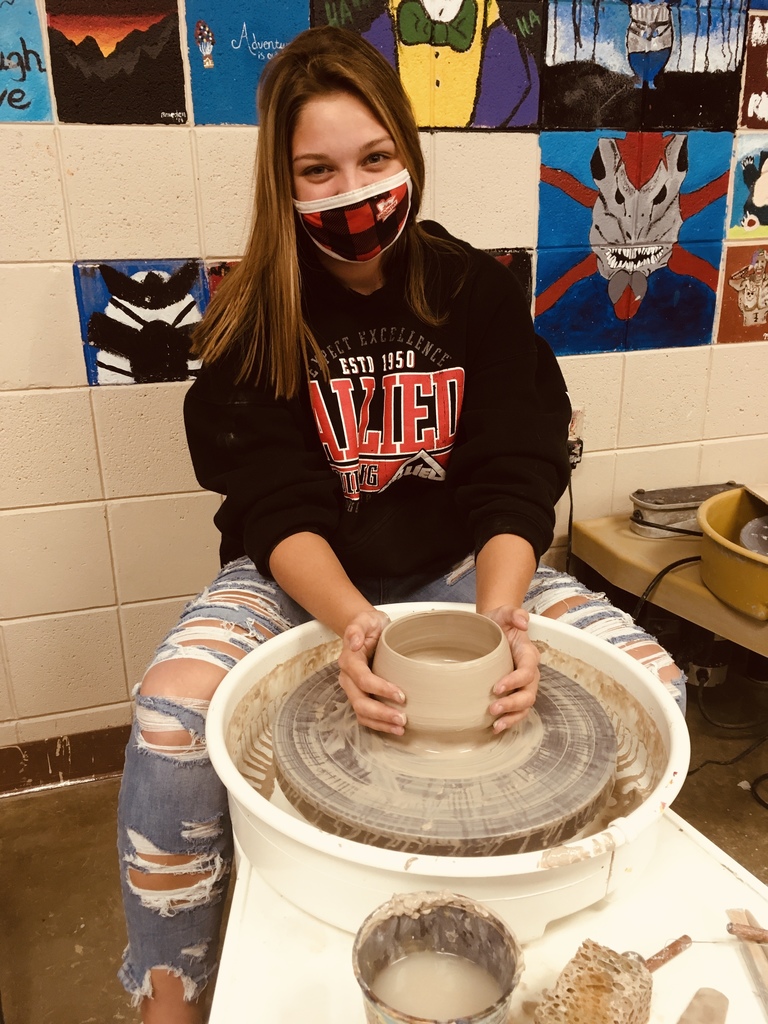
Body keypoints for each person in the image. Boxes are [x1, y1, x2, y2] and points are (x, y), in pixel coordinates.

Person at [116, 25, 686, 1023]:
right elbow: (273, 501)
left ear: (410, 157)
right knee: (171, 717)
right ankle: (174, 998)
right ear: (282, 183)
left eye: (375, 159)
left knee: (657, 685)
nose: (354, 190)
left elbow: (518, 466)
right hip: (299, 578)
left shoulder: (474, 291)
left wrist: (504, 620)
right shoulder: (254, 315)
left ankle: (562, 951)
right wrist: (349, 623)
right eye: (318, 170)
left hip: (464, 566)